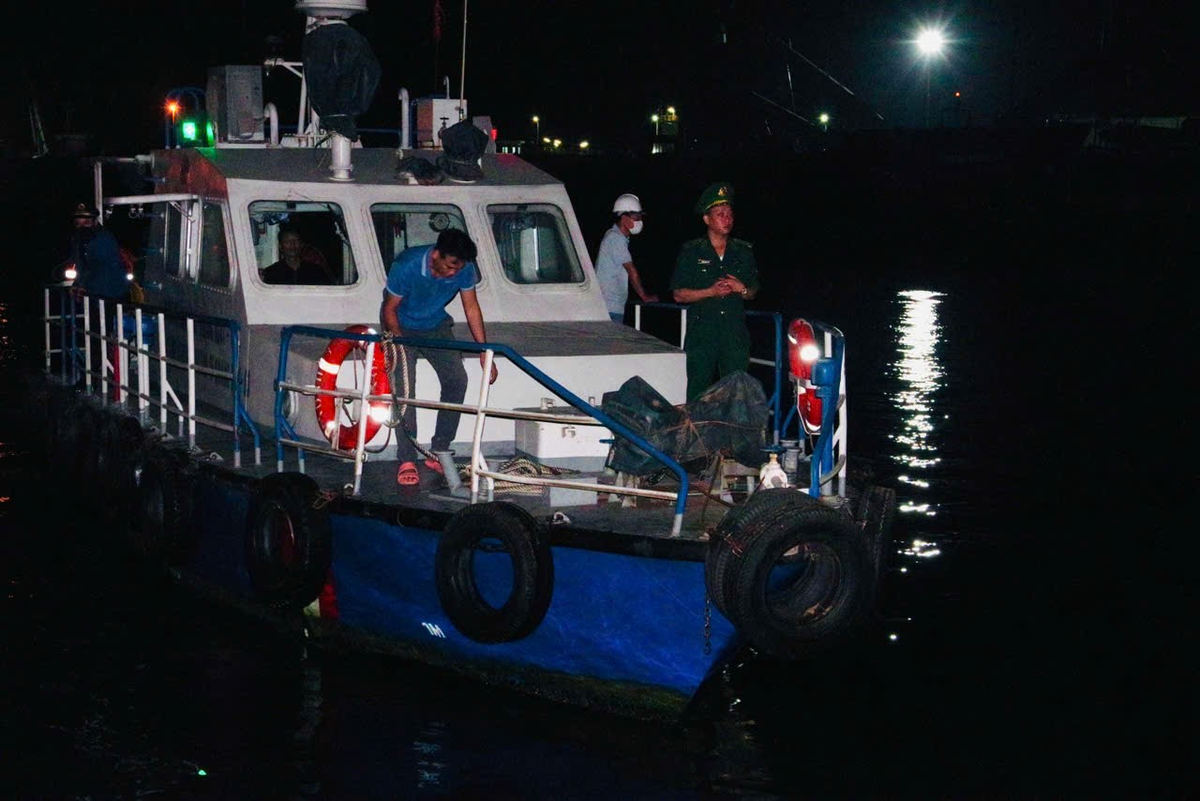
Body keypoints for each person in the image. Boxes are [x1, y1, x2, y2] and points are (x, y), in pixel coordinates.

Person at [380, 228, 499, 486]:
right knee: (404, 390)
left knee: (457, 379)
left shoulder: (464, 269)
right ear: (436, 254)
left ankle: (440, 450)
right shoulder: (407, 266)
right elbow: (389, 308)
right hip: (400, 324)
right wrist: (399, 343)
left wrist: (483, 350)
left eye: (459, 268)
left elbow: (471, 307)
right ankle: (407, 459)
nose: (454, 273)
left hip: (435, 325)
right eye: (450, 266)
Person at [669, 182, 759, 402]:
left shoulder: (743, 251)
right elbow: (678, 294)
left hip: (734, 334)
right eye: (720, 214)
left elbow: (753, 292)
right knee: (698, 391)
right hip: (702, 334)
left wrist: (742, 289)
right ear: (707, 219)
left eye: (729, 214)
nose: (726, 218)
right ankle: (696, 434)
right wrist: (710, 292)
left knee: (736, 393)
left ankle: (732, 435)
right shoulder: (692, 252)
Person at [595, 193, 658, 322]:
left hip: (609, 306)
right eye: (636, 217)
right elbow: (631, 270)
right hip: (609, 307)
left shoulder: (615, 237)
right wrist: (644, 296)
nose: (640, 220)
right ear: (624, 218)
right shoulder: (615, 238)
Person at [68, 204, 128, 301]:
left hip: (109, 292)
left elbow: (99, 266)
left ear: (95, 221)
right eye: (78, 223)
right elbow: (79, 263)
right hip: (92, 293)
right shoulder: (78, 239)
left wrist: (83, 285)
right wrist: (77, 284)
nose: (82, 226)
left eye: (87, 222)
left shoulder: (104, 238)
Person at [262, 229, 332, 285]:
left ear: (301, 245)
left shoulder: (316, 271)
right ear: (281, 247)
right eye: (287, 241)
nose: (292, 245)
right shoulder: (272, 272)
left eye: (296, 241)